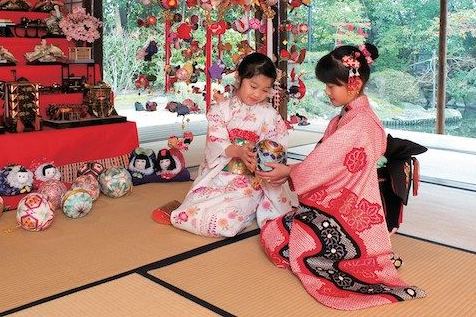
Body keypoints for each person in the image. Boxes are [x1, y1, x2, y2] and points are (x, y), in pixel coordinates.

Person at [257, 44, 425, 310]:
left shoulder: (360, 123)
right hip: (340, 198)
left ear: (353, 84)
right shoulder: (350, 115)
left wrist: (290, 171)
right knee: (276, 232)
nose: (326, 91)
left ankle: (363, 256)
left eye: (331, 86)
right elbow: (326, 158)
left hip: (346, 207)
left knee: (282, 242)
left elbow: (326, 163)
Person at [167, 52, 292, 237]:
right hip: (220, 172)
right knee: (187, 212)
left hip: (251, 178)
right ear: (239, 78)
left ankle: (243, 212)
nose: (257, 94)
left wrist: (261, 159)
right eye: (253, 86)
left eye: (265, 90)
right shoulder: (221, 110)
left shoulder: (270, 114)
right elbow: (216, 142)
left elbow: (277, 145)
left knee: (225, 220)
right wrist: (239, 151)